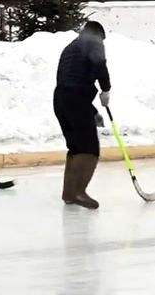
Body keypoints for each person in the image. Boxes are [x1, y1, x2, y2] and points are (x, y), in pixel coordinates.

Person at [53, 21, 111, 209]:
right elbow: (100, 64)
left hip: (61, 100)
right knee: (89, 149)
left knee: (76, 147)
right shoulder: (93, 42)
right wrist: (105, 89)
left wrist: (91, 110)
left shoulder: (71, 47)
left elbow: (72, 80)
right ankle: (78, 192)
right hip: (75, 100)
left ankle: (69, 193)